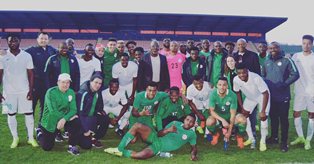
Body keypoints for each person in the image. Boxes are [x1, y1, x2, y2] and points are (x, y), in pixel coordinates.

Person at [37, 73, 92, 155]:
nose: (65, 85)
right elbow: (53, 111)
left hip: (64, 119)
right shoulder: (50, 92)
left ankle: (72, 146)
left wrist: (64, 119)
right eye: (63, 82)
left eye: (68, 82)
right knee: (47, 147)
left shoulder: (71, 92)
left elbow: (73, 109)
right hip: (51, 120)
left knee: (76, 121)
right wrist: (66, 118)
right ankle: (40, 133)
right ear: (58, 82)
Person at [104, 113, 198, 161]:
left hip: (158, 147)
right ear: (184, 119)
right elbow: (159, 133)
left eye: (191, 122)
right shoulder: (175, 123)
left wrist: (193, 154)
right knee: (137, 125)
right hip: (155, 138)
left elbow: (194, 147)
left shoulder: (191, 134)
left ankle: (123, 152)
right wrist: (168, 130)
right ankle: (119, 148)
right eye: (187, 119)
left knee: (138, 156)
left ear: (194, 124)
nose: (188, 122)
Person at [0, 33, 38, 148]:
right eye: (10, 41)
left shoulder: (26, 56)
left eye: (15, 41)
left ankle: (31, 138)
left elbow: (31, 74)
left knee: (29, 114)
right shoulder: (2, 56)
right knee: (11, 114)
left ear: (19, 41)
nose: (13, 43)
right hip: (8, 92)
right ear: (7, 42)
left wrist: (31, 90)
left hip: (24, 91)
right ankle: (15, 138)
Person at [262, 42, 299, 152]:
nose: (273, 49)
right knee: (273, 118)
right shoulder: (266, 61)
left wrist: (284, 84)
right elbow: (263, 75)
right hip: (271, 96)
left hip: (283, 96)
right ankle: (274, 137)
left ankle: (284, 142)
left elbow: (295, 74)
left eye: (275, 47)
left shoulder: (287, 60)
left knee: (283, 119)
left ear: (279, 48)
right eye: (271, 48)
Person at [233, 63, 270, 151]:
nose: (241, 75)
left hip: (262, 97)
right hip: (250, 98)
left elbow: (265, 93)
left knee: (263, 118)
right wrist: (242, 107)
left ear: (247, 71)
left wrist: (263, 111)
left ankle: (263, 141)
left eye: (243, 72)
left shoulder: (256, 78)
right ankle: (251, 138)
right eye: (239, 73)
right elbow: (237, 92)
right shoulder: (236, 79)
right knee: (244, 116)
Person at [205, 77, 246, 149]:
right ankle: (215, 134)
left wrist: (229, 131)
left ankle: (239, 137)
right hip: (218, 117)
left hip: (230, 116)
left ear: (227, 86)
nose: (222, 87)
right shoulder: (213, 94)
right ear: (216, 85)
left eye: (224, 85)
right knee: (209, 122)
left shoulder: (232, 95)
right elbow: (211, 111)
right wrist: (222, 120)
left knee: (242, 120)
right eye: (220, 85)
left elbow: (233, 114)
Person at [25, 32, 57, 122]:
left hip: (47, 84)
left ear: (48, 40)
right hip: (34, 84)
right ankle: (30, 130)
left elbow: (62, 54)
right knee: (31, 107)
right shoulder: (31, 50)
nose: (43, 40)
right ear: (37, 39)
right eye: (41, 38)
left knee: (45, 107)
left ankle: (41, 127)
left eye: (45, 39)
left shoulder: (52, 50)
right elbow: (20, 55)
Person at [290, 35, 314, 150]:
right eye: (304, 43)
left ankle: (308, 140)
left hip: (311, 91)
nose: (306, 45)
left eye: (308, 43)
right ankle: (300, 137)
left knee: (311, 115)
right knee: (296, 113)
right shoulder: (296, 56)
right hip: (299, 90)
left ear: (312, 44)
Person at [76, 74, 110, 148]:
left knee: (106, 119)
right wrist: (85, 131)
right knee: (86, 146)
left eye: (100, 83)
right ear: (91, 81)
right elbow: (79, 114)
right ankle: (78, 137)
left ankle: (94, 138)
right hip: (82, 119)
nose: (98, 85)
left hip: (91, 117)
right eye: (96, 82)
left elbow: (99, 105)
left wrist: (101, 112)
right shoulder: (83, 93)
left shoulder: (97, 91)